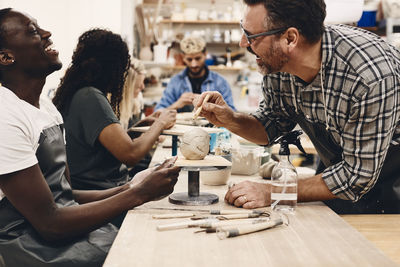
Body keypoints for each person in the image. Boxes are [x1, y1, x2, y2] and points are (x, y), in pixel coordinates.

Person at [0, 8, 180, 266]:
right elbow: (50, 223)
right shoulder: (5, 117)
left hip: (63, 230)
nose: (47, 33)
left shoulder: (46, 107)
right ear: (6, 57)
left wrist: (133, 186)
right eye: (32, 31)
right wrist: (138, 194)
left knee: (154, 242)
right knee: (145, 253)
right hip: (31, 245)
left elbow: (66, 194)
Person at [194, 0, 400, 214]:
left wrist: (274, 191)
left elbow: (356, 176)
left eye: (251, 36)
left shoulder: (368, 77)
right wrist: (231, 120)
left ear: (290, 39)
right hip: (340, 173)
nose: (242, 42)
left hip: (390, 185)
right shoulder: (278, 64)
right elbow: (270, 127)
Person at [52, 29, 177, 191]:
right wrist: (160, 124)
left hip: (101, 188)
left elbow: (103, 147)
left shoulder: (78, 93)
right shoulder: (90, 97)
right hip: (100, 193)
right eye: (122, 67)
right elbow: (130, 155)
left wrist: (138, 128)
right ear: (111, 67)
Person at [154, 35, 236, 113]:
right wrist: (177, 104)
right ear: (183, 57)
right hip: (182, 127)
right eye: (189, 59)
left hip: (213, 127)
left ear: (205, 54)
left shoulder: (220, 82)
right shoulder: (175, 82)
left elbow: (232, 114)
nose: (194, 64)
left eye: (198, 58)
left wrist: (213, 107)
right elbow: (157, 113)